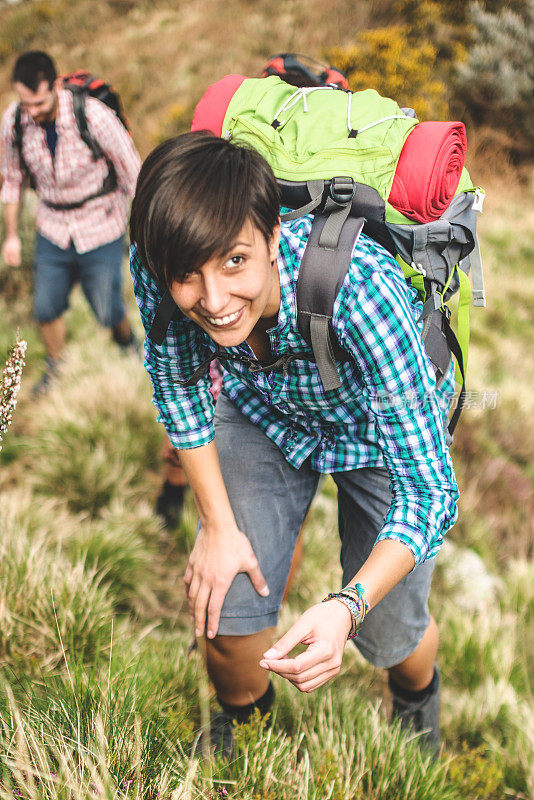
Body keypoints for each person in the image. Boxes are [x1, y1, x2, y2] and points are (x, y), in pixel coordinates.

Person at [129, 132, 459, 757]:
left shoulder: (363, 291)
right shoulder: (157, 256)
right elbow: (179, 389)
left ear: (274, 237)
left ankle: (417, 700)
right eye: (187, 277)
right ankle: (245, 733)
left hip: (375, 430)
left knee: (389, 634)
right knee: (224, 611)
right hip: (262, 412)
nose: (215, 301)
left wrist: (347, 606)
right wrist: (218, 528)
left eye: (233, 262)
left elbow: (430, 492)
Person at [0, 51, 142, 395]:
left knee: (108, 309)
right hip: (52, 226)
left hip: (101, 225)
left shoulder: (94, 116)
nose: (31, 111)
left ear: (56, 84)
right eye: (25, 102)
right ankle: (56, 366)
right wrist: (12, 237)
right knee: (45, 308)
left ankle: (126, 341)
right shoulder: (14, 122)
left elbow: (132, 172)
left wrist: (145, 229)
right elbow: (12, 179)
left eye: (39, 102)